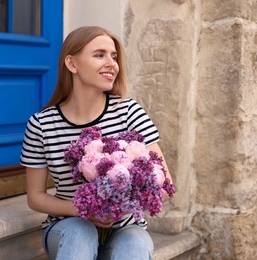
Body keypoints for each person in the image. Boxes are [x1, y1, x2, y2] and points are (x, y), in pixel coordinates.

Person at [20, 26, 173, 260]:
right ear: (72, 64)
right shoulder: (41, 124)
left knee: (136, 243)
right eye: (99, 55)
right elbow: (36, 196)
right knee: (80, 232)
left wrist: (116, 208)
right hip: (67, 227)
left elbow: (164, 184)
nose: (112, 63)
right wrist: (85, 210)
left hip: (125, 228)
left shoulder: (130, 112)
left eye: (114, 56)